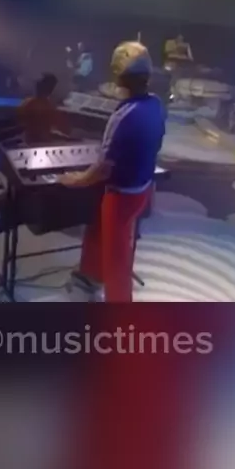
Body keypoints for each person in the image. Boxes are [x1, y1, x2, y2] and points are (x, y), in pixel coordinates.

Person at [60, 41, 166, 302]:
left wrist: (76, 180)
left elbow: (103, 169)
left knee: (117, 259)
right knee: (98, 229)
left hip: (121, 195)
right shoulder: (156, 104)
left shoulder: (122, 116)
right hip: (143, 188)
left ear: (118, 76)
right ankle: (89, 274)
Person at [17, 73, 71, 143]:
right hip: (37, 143)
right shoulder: (46, 107)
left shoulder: (28, 102)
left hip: (37, 142)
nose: (37, 85)